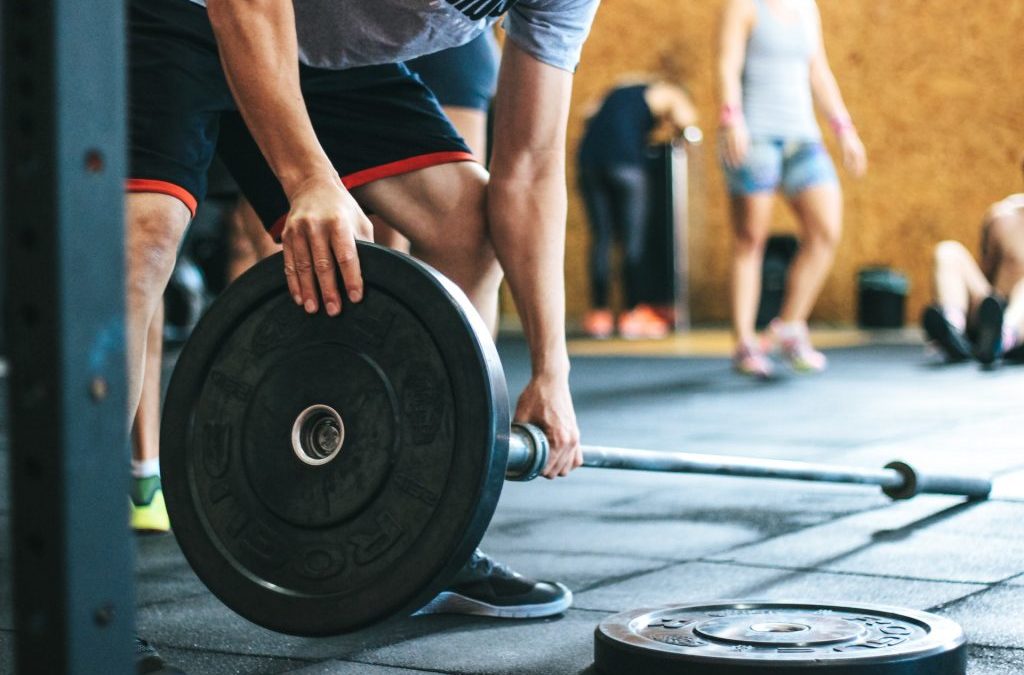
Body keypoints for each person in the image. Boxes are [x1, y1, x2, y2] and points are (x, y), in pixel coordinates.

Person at [124, 0, 598, 669]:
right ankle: (83, 587)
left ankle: (422, 544)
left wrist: (552, 367)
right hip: (184, 12)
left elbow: (531, 166)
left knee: (466, 229)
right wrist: (308, 178)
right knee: (141, 239)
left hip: (316, 54)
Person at [718, 0, 867, 378]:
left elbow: (818, 71)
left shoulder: (806, 7)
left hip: (802, 137)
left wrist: (844, 129)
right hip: (756, 137)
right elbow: (728, 62)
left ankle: (789, 328)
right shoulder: (744, 5)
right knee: (750, 239)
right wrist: (732, 118)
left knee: (825, 230)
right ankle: (744, 344)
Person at [577, 79, 698, 339]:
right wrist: (684, 131)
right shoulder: (668, 92)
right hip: (626, 164)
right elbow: (685, 119)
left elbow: (586, 114)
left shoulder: (619, 91)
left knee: (602, 238)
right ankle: (633, 313)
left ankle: (599, 315)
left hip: (590, 163)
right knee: (634, 240)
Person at [922, 174, 1024, 366]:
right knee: (948, 251)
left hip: (1018, 327)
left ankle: (1002, 338)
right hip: (993, 312)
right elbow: (987, 271)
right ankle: (953, 331)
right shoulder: (1003, 217)